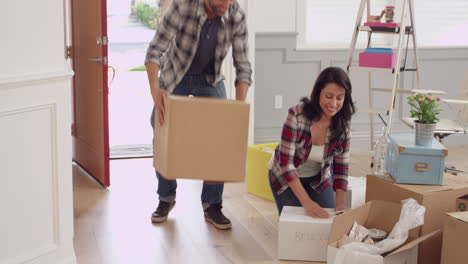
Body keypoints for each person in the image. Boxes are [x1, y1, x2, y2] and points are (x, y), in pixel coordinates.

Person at [144, 0, 252, 230]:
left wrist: (237, 111)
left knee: (222, 136)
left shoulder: (236, 15)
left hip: (209, 80)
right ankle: (166, 197)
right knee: (160, 126)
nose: (226, 3)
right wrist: (155, 89)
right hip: (175, 75)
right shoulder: (181, 7)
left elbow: (242, 65)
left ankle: (212, 204)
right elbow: (154, 51)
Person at [268, 67, 355, 218]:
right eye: (329, 96)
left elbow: (341, 169)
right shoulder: (296, 115)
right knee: (296, 222)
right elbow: (286, 164)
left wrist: (340, 207)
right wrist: (307, 202)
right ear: (318, 93)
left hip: (318, 179)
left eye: (339, 98)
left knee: (327, 220)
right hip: (285, 178)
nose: (334, 103)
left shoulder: (343, 127)